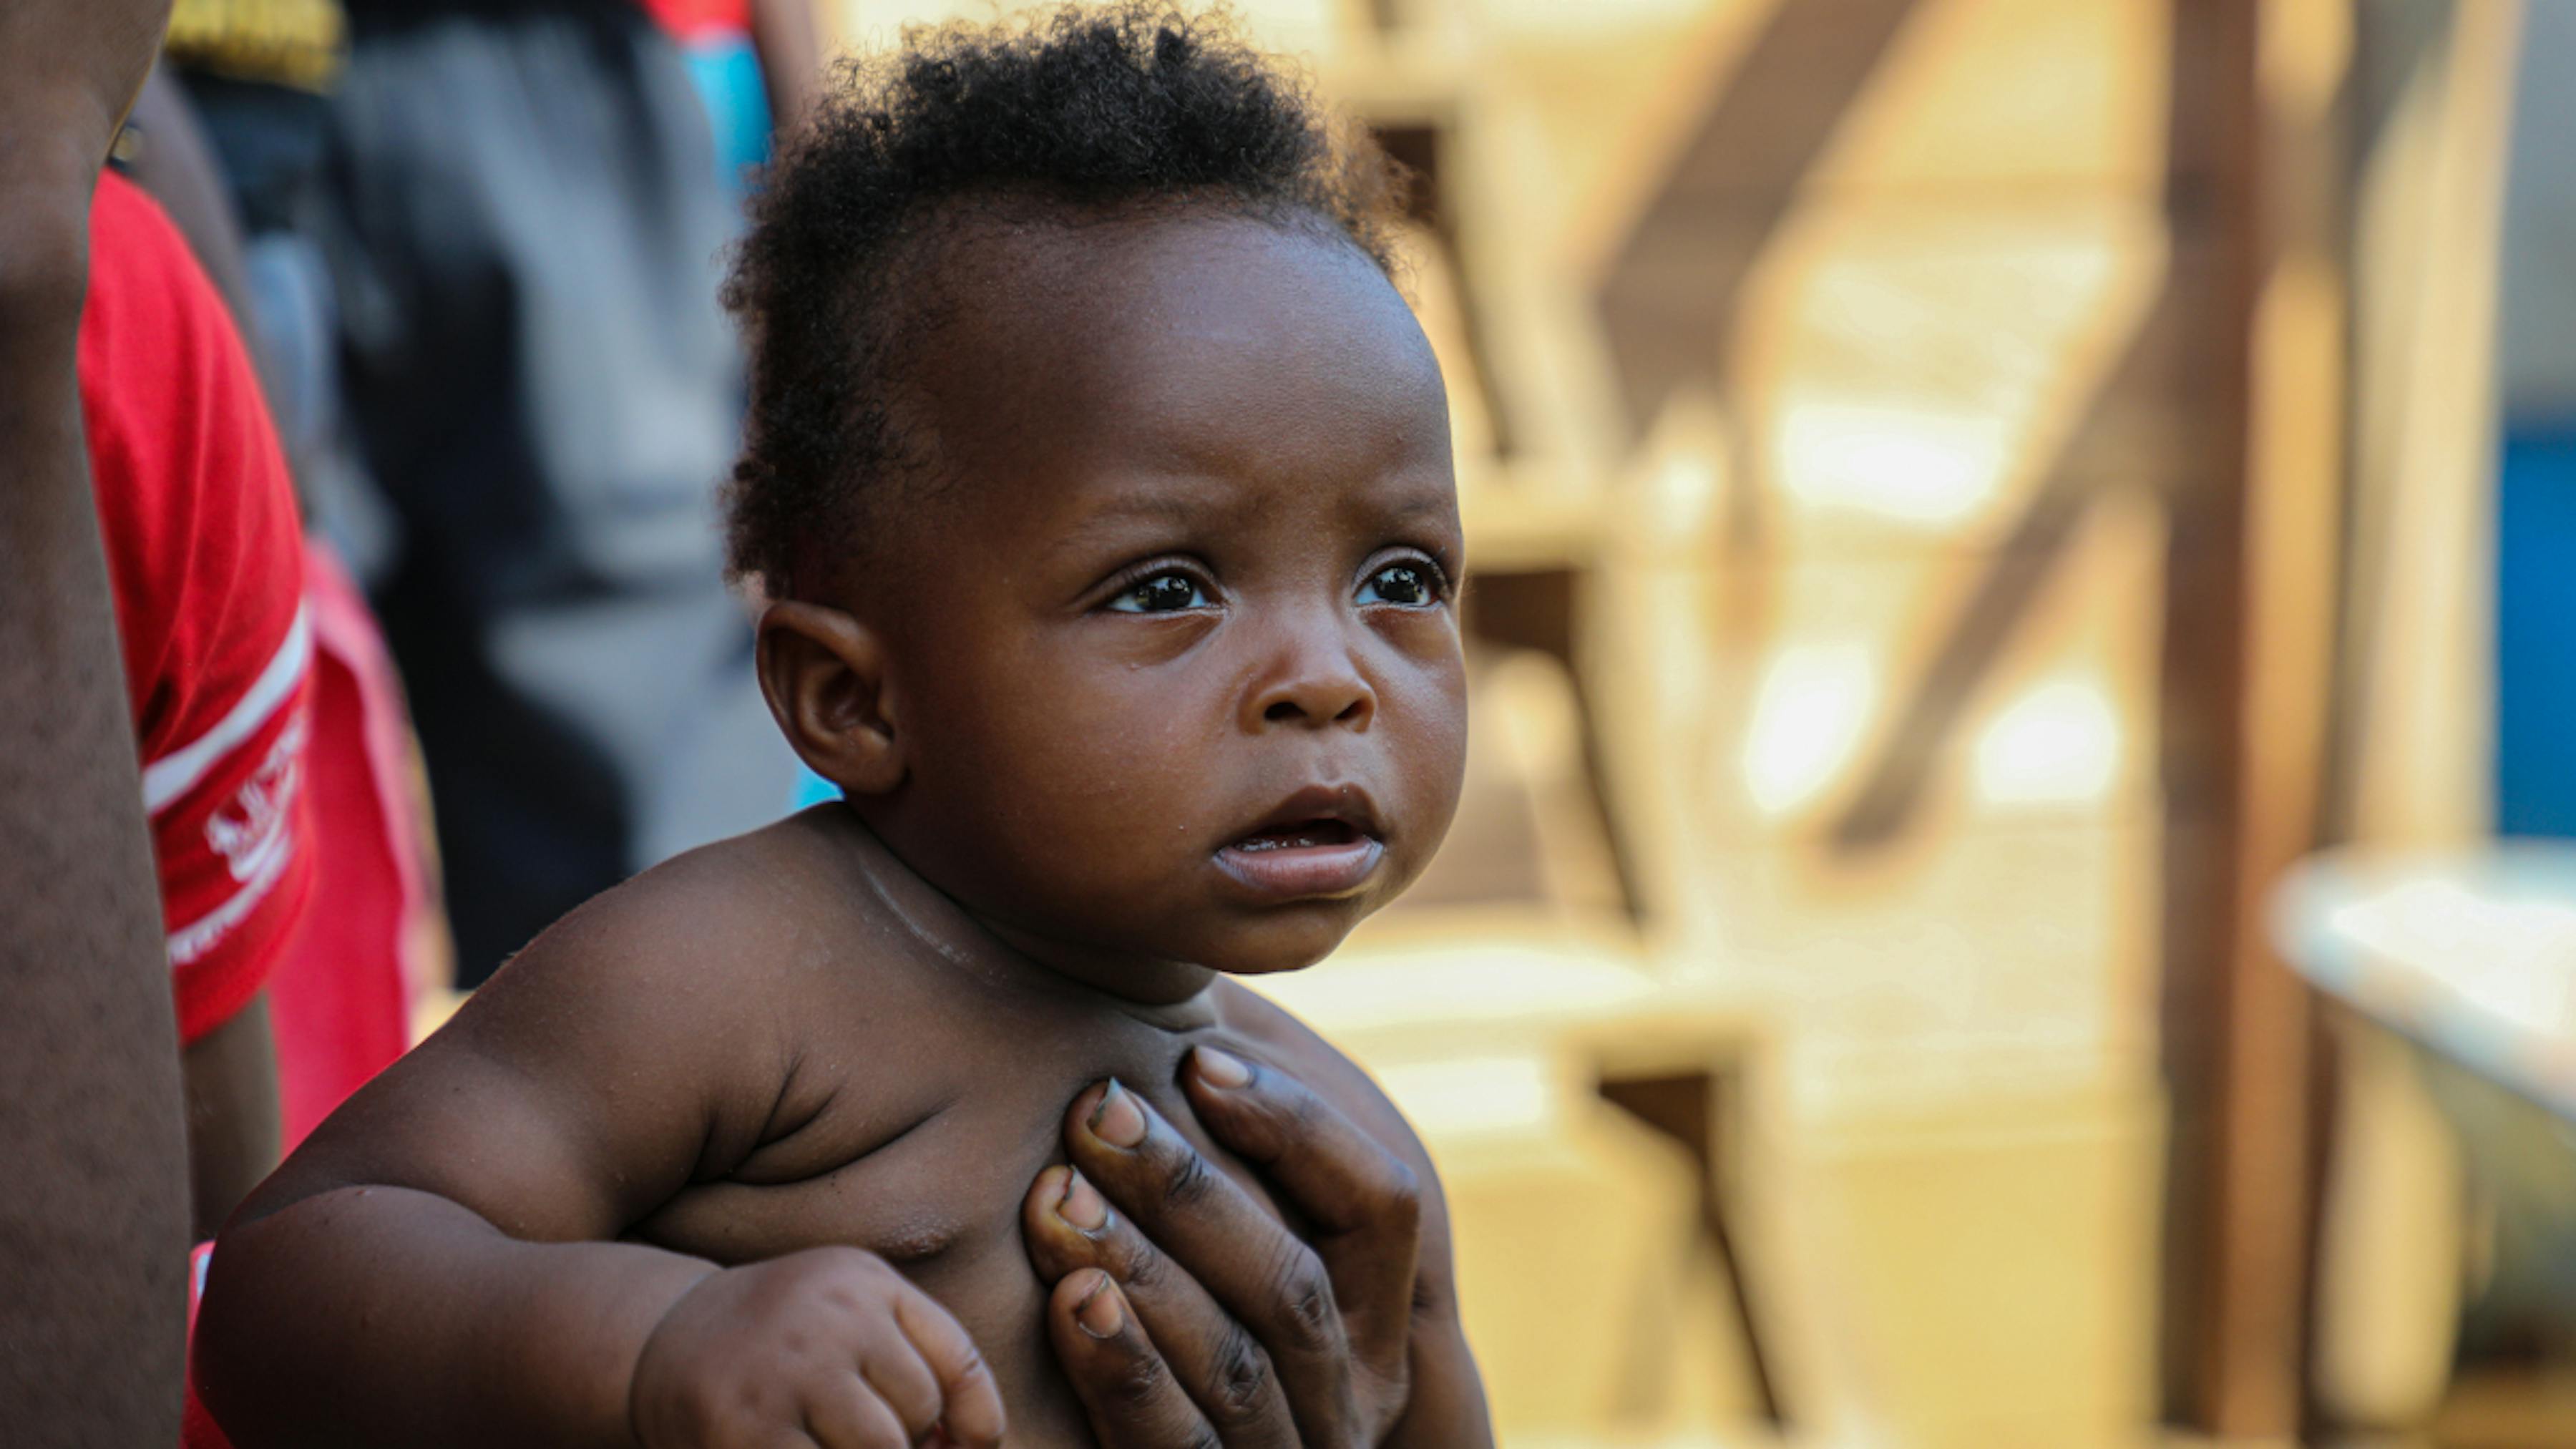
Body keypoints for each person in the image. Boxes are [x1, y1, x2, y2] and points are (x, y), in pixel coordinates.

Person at [194, 6, 1495, 1446]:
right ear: (851, 698)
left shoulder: (1345, 1151)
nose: (1330, 675)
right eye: (1168, 586)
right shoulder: (731, 982)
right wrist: (646, 1346)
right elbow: (287, 1272)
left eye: (1399, 578)